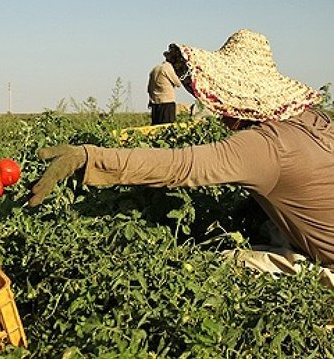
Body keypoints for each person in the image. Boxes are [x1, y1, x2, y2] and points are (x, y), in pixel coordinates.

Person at [28, 29, 334, 287]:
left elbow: (178, 165)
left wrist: (87, 157)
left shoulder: (263, 146)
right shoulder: (315, 119)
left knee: (221, 266)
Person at [147, 50, 182, 124]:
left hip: (155, 104)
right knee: (167, 128)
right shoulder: (167, 68)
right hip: (167, 104)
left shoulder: (155, 69)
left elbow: (149, 88)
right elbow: (178, 83)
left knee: (156, 129)